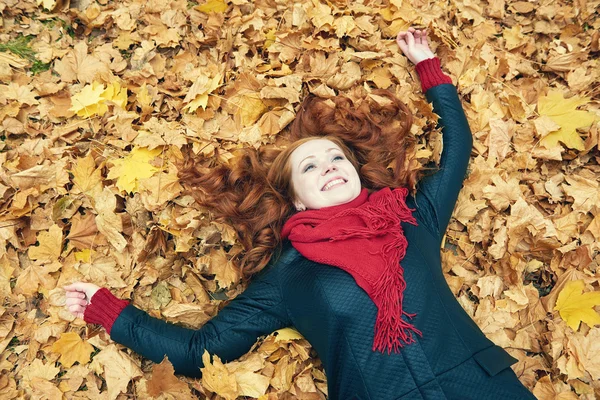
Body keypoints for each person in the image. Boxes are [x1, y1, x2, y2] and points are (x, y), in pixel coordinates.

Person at [64, 28, 536, 399]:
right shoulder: (289, 277)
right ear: (298, 200)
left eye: (337, 159)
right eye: (310, 166)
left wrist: (428, 69)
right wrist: (108, 311)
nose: (330, 168)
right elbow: (200, 351)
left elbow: (459, 149)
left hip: (481, 386)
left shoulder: (414, 218)